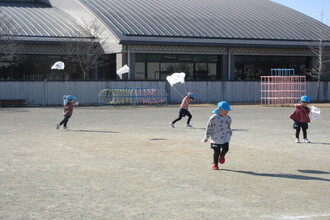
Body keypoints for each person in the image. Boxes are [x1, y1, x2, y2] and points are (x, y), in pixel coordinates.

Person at [202, 101, 232, 170]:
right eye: (226, 110)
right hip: (215, 138)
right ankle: (215, 164)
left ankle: (222, 155)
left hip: (225, 137)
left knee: (226, 149)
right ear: (219, 110)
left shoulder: (228, 118)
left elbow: (228, 126)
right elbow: (209, 127)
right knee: (216, 152)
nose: (227, 112)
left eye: (228, 111)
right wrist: (206, 137)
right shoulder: (213, 118)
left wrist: (229, 134)